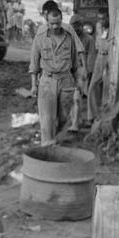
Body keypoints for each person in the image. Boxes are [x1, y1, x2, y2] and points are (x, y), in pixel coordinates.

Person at [29, 8, 84, 146]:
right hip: (47, 81)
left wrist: (79, 81)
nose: (55, 26)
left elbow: (75, 63)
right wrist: (33, 85)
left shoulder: (69, 38)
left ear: (61, 21)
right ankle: (47, 144)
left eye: (58, 23)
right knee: (47, 118)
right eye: (52, 23)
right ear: (47, 23)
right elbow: (34, 64)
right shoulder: (40, 38)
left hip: (66, 81)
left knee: (64, 117)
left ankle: (53, 138)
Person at [68, 13, 96, 131]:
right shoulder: (68, 38)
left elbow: (90, 57)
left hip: (80, 71)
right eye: (73, 26)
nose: (75, 29)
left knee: (76, 97)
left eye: (77, 26)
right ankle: (76, 120)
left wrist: (87, 71)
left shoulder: (88, 39)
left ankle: (75, 124)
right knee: (69, 98)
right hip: (68, 71)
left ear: (81, 26)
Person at [87, 8, 112, 123]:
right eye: (100, 19)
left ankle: (105, 116)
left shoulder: (114, 27)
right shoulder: (98, 26)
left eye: (104, 19)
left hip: (110, 57)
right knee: (92, 86)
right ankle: (91, 116)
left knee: (107, 88)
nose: (101, 21)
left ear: (108, 17)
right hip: (99, 56)